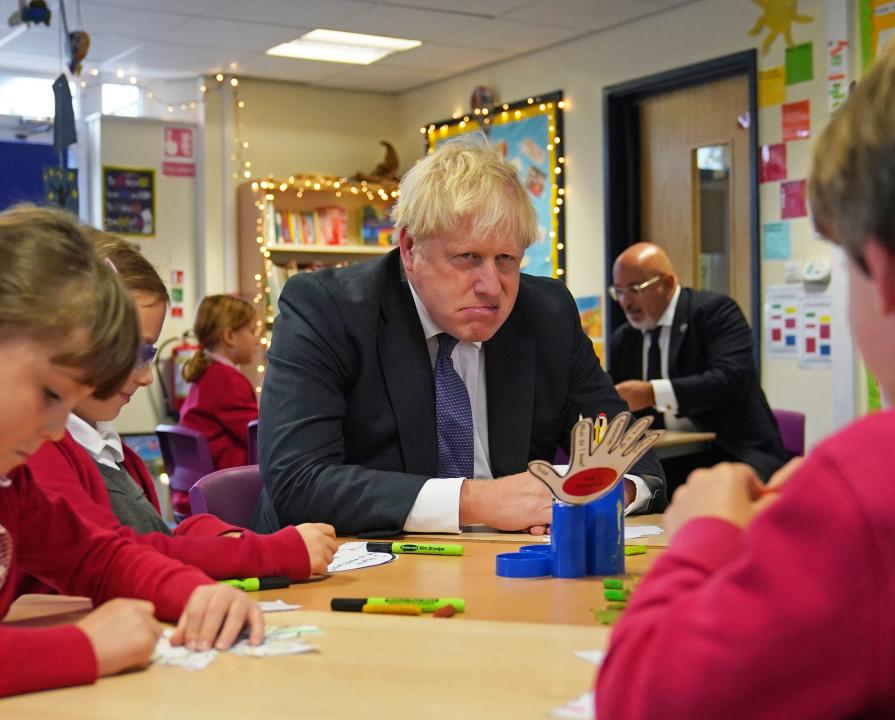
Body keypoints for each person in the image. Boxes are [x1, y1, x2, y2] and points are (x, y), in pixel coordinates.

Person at [596, 9, 895, 718]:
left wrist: (704, 536)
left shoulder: (886, 481)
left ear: (887, 276)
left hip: (729, 476)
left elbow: (648, 697)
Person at [254, 139, 665, 537]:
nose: (491, 286)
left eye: (506, 259)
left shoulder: (547, 313)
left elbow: (630, 453)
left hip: (509, 564)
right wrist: (477, 501)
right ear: (410, 248)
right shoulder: (328, 309)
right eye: (467, 258)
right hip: (356, 564)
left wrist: (603, 491)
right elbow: (298, 482)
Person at [0, 205, 262, 698]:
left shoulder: (12, 481)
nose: (59, 430)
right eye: (52, 395)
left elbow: (97, 557)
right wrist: (87, 647)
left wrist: (195, 591)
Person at [22, 231, 337, 585]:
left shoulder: (108, 448)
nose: (146, 378)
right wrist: (272, 553)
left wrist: (206, 531)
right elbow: (117, 559)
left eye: (148, 355)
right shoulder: (40, 451)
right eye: (132, 353)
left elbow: (145, 541)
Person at [608, 242, 788, 481]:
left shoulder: (715, 312)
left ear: (668, 283)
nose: (625, 302)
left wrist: (653, 393)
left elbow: (730, 379)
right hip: (663, 459)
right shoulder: (625, 338)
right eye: (618, 291)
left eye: (635, 288)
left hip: (734, 451)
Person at [179, 294, 259, 473]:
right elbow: (259, 436)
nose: (257, 340)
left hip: (204, 484)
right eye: (252, 331)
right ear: (229, 336)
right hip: (227, 487)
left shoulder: (206, 372)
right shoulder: (228, 380)